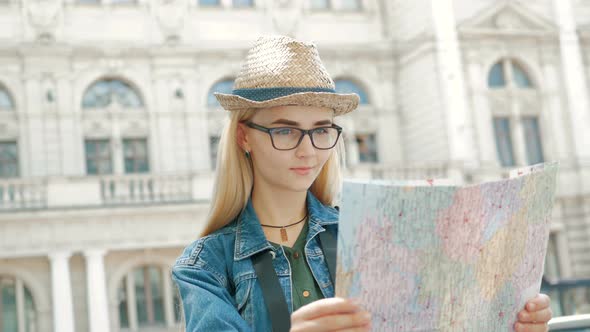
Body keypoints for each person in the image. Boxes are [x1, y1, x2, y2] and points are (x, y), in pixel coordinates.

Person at [172, 35, 553, 332]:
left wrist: (504, 321)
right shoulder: (203, 267)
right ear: (244, 137)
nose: (308, 151)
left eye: (321, 130)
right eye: (285, 131)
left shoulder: (376, 234)